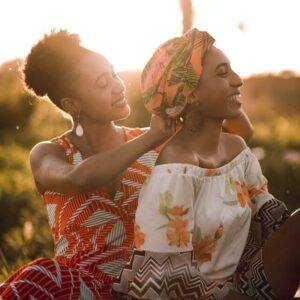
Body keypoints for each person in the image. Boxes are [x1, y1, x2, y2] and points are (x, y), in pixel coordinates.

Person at [0, 30, 254, 299]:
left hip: (147, 288)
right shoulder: (50, 153)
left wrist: (214, 84)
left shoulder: (159, 142)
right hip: (81, 290)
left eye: (114, 73)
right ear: (72, 104)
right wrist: (151, 138)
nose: (118, 86)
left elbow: (237, 137)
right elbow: (76, 179)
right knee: (43, 276)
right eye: (102, 83)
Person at [113, 29, 300, 299]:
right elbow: (167, 278)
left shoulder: (236, 149)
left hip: (244, 279)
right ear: (191, 95)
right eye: (222, 74)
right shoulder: (174, 169)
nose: (238, 81)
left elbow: (269, 216)